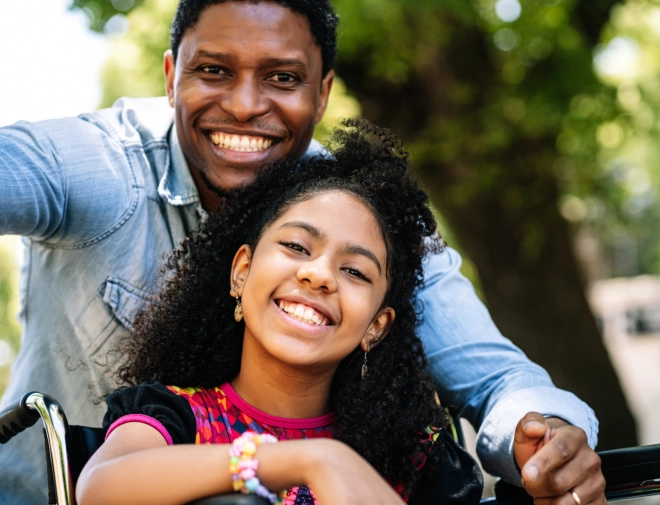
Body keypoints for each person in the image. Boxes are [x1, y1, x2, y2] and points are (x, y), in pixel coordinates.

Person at [0, 1, 604, 504]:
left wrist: (548, 436)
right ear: (170, 75)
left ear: (323, 93)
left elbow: (499, 379)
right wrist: (302, 460)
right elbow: (104, 484)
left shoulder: (368, 218)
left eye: (283, 78)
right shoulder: (95, 167)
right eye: (212, 70)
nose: (243, 105)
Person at [76, 121, 484, 505]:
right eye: (296, 247)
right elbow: (100, 486)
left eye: (355, 271)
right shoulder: (174, 416)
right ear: (241, 272)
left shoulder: (414, 456)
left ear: (376, 327)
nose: (319, 275)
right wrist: (310, 460)